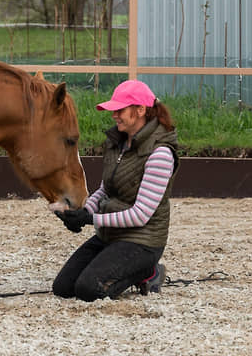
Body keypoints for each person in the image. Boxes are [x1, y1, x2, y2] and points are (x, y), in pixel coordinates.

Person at [52, 80, 179, 302]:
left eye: (119, 110)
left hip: (143, 241)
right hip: (111, 236)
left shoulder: (160, 155)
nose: (114, 115)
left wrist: (92, 219)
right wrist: (80, 214)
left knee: (89, 290)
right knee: (63, 287)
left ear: (140, 110)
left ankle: (149, 272)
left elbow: (141, 215)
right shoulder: (116, 143)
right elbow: (104, 190)